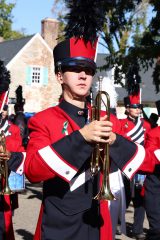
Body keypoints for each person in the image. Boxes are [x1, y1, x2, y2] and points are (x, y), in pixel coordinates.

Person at [24, 37, 156, 240]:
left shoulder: (109, 119)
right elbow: (32, 171)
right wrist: (81, 138)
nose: (83, 75)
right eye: (75, 68)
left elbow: (148, 164)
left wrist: (115, 141)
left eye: (89, 70)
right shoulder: (43, 120)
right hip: (60, 224)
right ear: (60, 76)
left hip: (98, 222)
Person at [119, 92, 151, 240]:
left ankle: (137, 229)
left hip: (141, 166)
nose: (138, 110)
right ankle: (118, 224)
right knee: (123, 197)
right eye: (134, 107)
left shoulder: (146, 125)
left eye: (139, 107)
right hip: (125, 166)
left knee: (140, 199)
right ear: (127, 108)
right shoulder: (121, 124)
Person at [0, 101, 26, 240]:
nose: (3, 112)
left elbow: (19, 148)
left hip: (8, 177)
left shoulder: (14, 128)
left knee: (7, 217)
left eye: (5, 109)